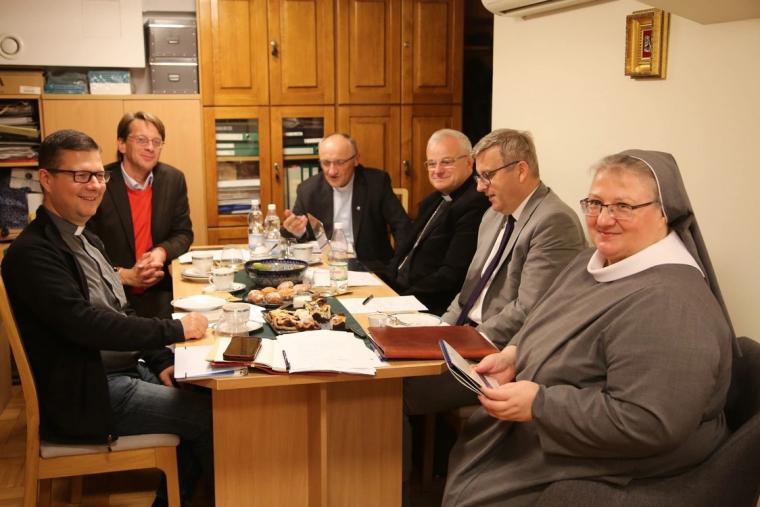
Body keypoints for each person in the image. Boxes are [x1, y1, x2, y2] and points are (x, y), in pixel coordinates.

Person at [442, 150, 735, 507]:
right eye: (595, 203)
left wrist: (541, 405)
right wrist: (515, 356)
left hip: (614, 457)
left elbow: (649, 422)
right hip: (556, 431)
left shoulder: (671, 304)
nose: (604, 219)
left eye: (623, 206)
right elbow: (545, 320)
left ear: (664, 213)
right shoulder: (593, 261)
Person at [1, 130, 213, 507]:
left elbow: (119, 310)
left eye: (100, 175)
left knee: (205, 392)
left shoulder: (86, 239)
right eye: (81, 175)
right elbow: (86, 324)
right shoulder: (32, 253)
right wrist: (176, 328)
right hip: (89, 392)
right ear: (46, 179)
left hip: (120, 372)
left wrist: (161, 359)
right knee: (212, 418)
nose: (96, 185)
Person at [405, 128, 585, 415]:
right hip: (466, 339)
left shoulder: (554, 221)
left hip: (502, 354)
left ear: (521, 170)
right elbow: (467, 292)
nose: (479, 187)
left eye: (487, 176)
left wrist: (463, 341)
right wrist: (440, 332)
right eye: (479, 177)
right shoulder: (493, 215)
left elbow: (530, 309)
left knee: (400, 389)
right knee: (391, 364)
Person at [88, 111, 193, 319]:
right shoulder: (98, 183)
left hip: (159, 291)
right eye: (142, 140)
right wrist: (125, 276)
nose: (150, 148)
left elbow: (183, 233)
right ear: (121, 144)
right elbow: (85, 247)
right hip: (110, 294)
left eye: (157, 142)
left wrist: (161, 252)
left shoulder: (173, 179)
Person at [378, 129, 488, 316]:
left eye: (447, 162)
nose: (437, 170)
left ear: (469, 162)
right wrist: (382, 286)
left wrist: (399, 302)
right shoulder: (432, 200)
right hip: (398, 294)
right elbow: (403, 253)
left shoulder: (475, 204)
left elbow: (451, 275)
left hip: (429, 307)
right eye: (431, 163)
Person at [281, 133, 411, 262]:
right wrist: (297, 231)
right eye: (326, 163)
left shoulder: (376, 183)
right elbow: (298, 236)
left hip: (371, 266)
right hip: (326, 266)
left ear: (356, 159)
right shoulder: (307, 190)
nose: (332, 171)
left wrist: (400, 265)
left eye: (340, 162)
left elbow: (402, 227)